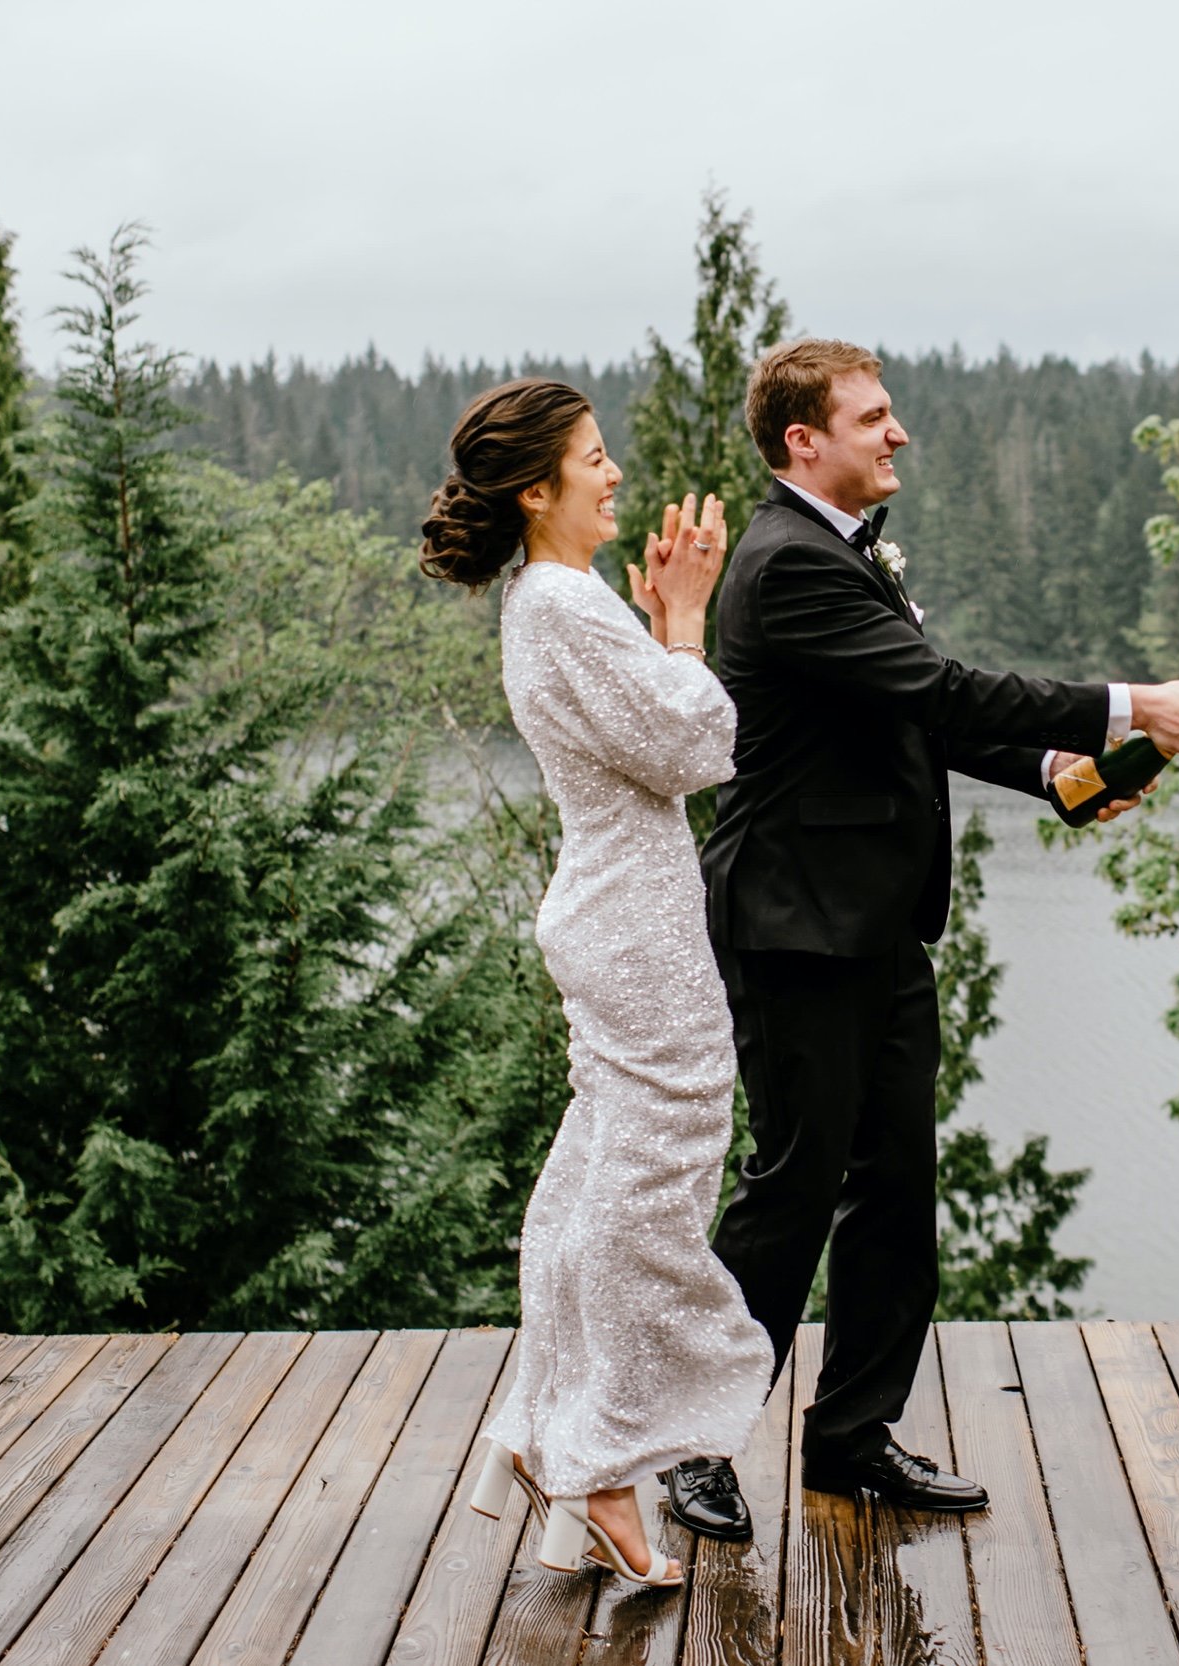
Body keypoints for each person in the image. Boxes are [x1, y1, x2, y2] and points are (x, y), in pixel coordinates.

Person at [665, 338, 1179, 1537]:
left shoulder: (842, 556)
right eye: (874, 417)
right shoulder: (786, 568)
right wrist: (1136, 705)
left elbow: (913, 717)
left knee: (895, 1188)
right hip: (793, 929)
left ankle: (850, 1437)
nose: (900, 432)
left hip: (874, 924)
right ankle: (690, 1441)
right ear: (801, 443)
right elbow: (942, 689)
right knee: (791, 1187)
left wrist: (1056, 772)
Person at [418, 378, 773, 1588]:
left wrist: (661, 625)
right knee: (652, 1183)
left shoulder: (546, 600)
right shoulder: (567, 607)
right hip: (636, 928)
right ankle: (604, 1457)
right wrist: (683, 618)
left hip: (614, 910)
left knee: (589, 1180)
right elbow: (696, 747)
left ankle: (553, 1436)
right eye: (594, 456)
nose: (615, 471)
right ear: (538, 489)